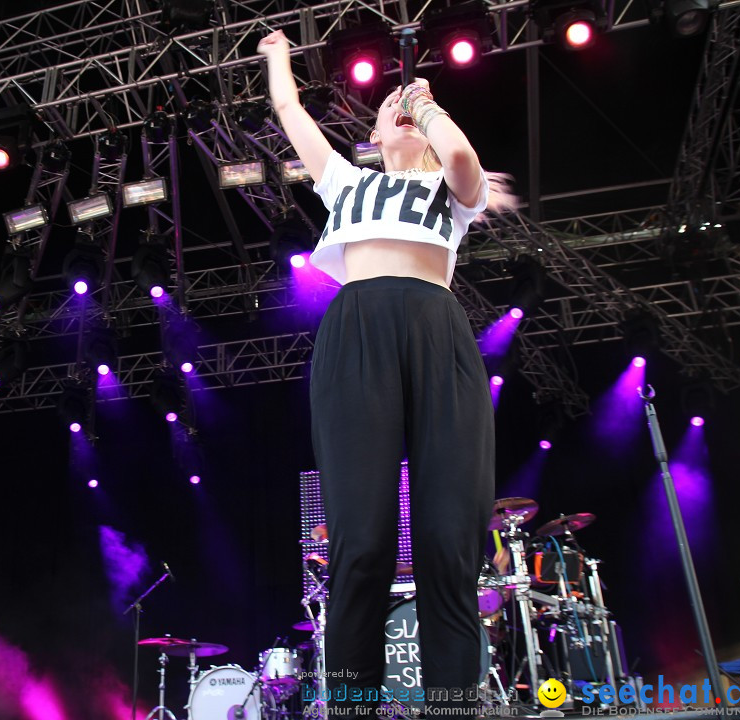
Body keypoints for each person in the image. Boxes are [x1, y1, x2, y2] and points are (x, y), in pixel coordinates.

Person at [258, 29, 513, 717]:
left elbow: (461, 154)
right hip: (357, 334)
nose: (396, 113)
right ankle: (352, 708)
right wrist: (279, 55)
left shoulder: (452, 190)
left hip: (438, 334)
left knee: (448, 547)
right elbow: (291, 114)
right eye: (387, 110)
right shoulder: (348, 182)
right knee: (362, 546)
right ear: (373, 133)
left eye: (411, 113)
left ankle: (456, 707)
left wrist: (425, 103)